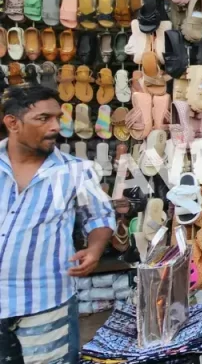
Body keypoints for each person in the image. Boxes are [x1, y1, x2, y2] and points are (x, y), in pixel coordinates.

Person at [0, 84, 115, 363]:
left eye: (57, 117)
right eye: (43, 119)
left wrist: (95, 249)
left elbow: (99, 218)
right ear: (12, 123)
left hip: (46, 302)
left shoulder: (76, 171)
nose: (55, 126)